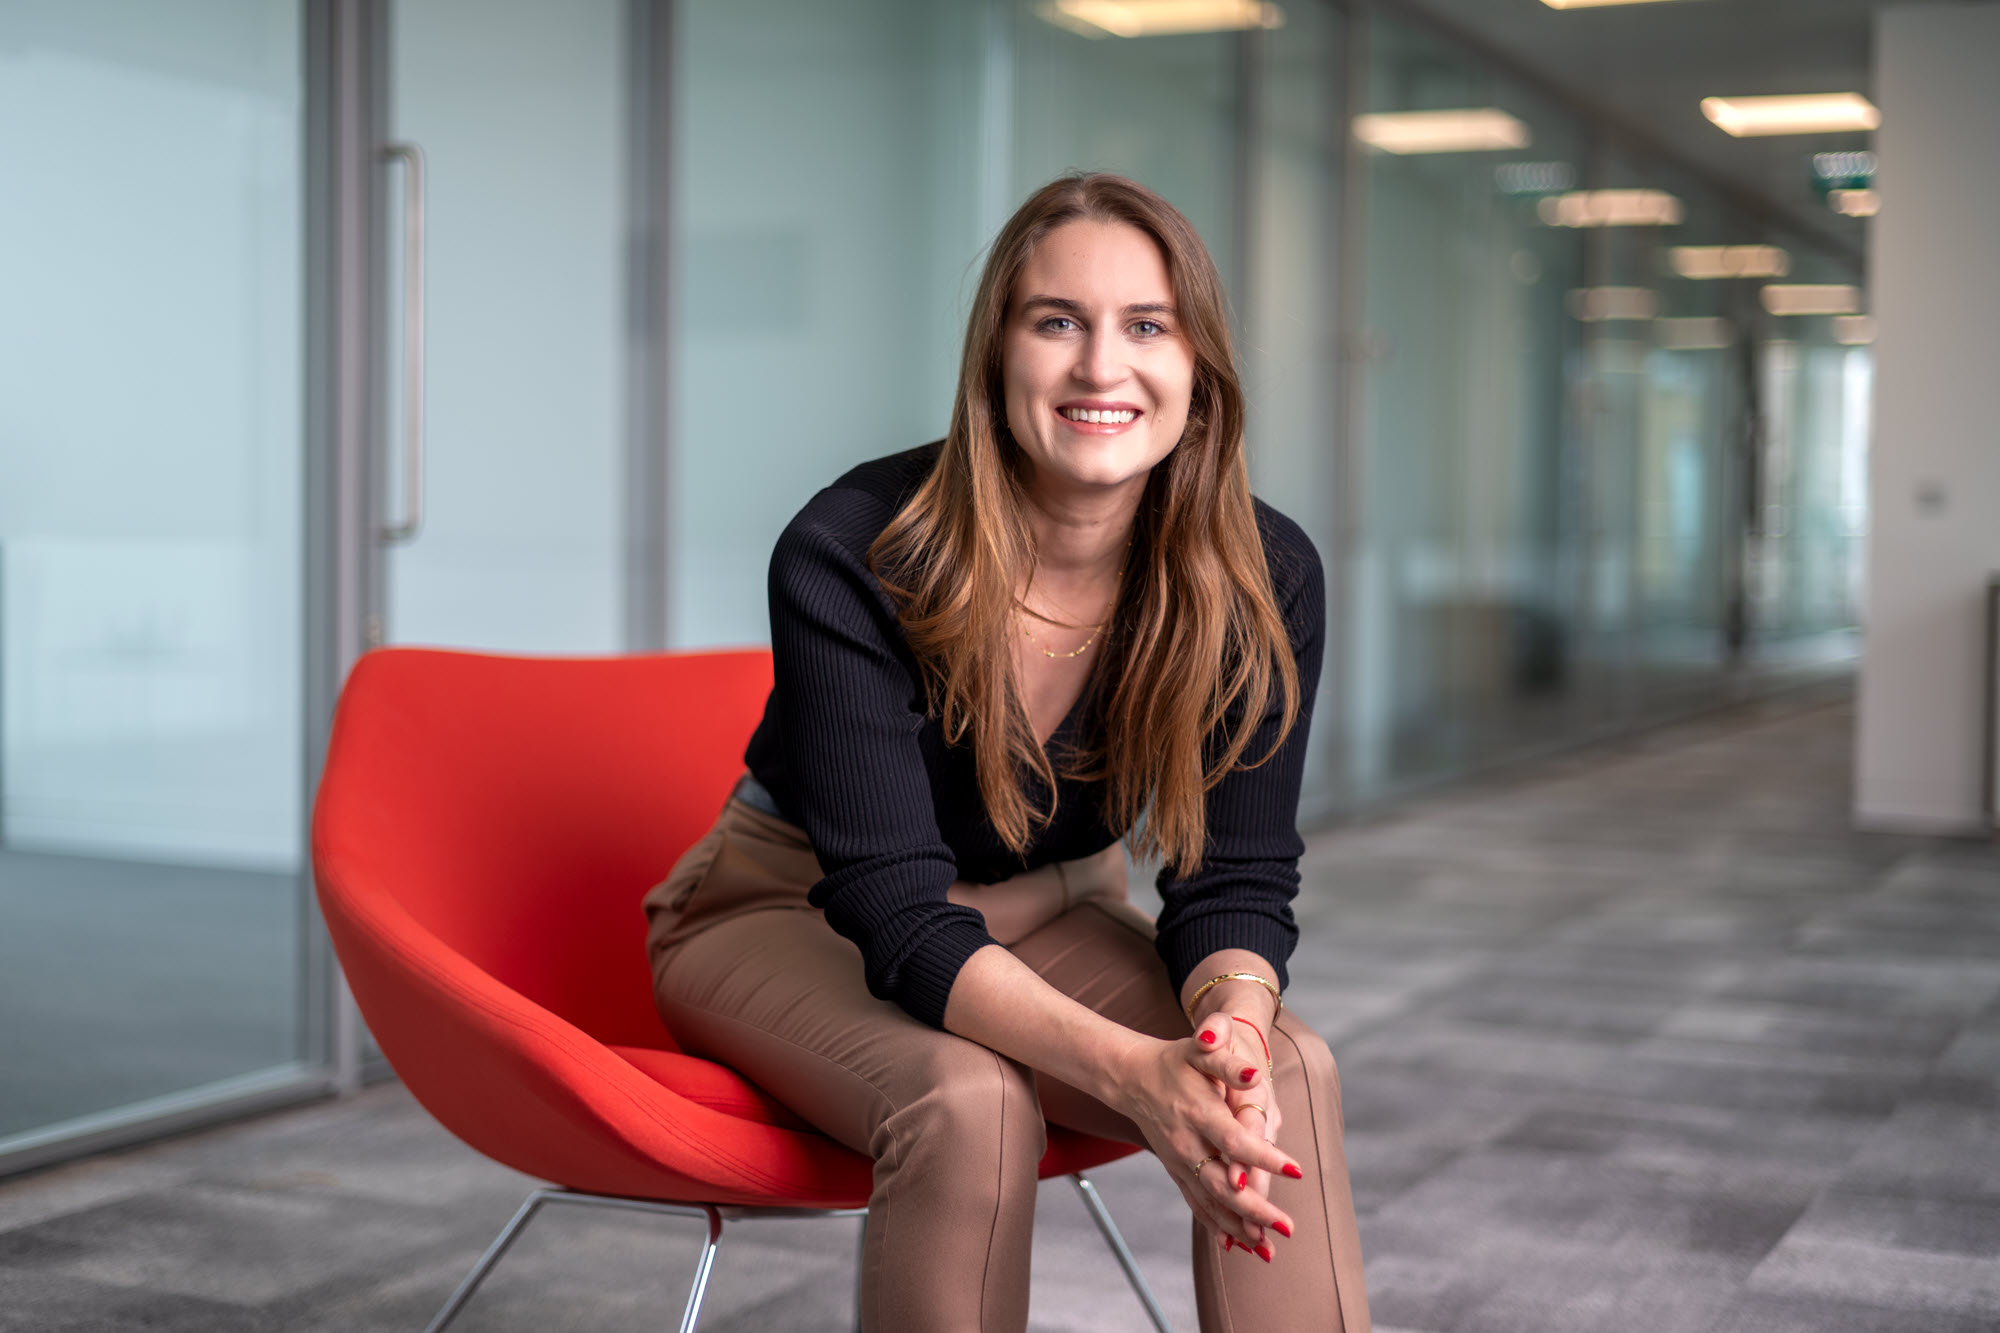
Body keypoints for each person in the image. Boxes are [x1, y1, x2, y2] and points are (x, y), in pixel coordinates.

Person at [644, 172, 1370, 1333]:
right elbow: (891, 907)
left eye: (1145, 325)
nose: (1098, 367)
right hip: (790, 910)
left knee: (1278, 1064)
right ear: (996, 354)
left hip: (1049, 907)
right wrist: (1136, 1071)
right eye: (1055, 322)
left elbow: (1233, 877)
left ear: (1198, 370)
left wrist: (1225, 1028)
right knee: (970, 1098)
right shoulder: (851, 551)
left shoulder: (1260, 576)